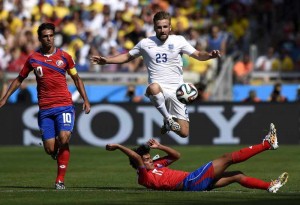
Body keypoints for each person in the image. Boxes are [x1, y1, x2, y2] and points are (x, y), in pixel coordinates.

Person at [90, 11, 220, 138]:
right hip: (158, 87)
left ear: (170, 27)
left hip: (178, 90)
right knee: (153, 87)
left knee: (184, 133)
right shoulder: (145, 43)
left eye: (165, 27)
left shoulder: (179, 41)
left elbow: (197, 54)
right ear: (154, 28)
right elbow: (126, 56)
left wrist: (209, 55)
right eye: (159, 27)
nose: (162, 30)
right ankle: (168, 118)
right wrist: (107, 60)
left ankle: (169, 124)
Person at [0, 23, 91, 190]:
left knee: (63, 138)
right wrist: (5, 97)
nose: (48, 38)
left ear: (54, 36)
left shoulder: (65, 57)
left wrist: (85, 99)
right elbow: (20, 79)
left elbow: (77, 79)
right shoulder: (33, 59)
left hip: (64, 104)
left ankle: (59, 181)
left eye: (51, 35)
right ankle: (57, 152)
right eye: (45, 36)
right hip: (45, 108)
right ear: (40, 38)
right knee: (50, 149)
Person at [106, 123, 288, 193]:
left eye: (147, 158)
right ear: (138, 164)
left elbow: (176, 156)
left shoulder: (156, 165)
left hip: (194, 182)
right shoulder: (143, 175)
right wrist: (118, 146)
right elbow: (135, 158)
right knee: (226, 158)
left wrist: (160, 146)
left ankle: (269, 186)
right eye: (145, 159)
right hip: (191, 181)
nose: (148, 160)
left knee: (237, 175)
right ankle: (267, 144)